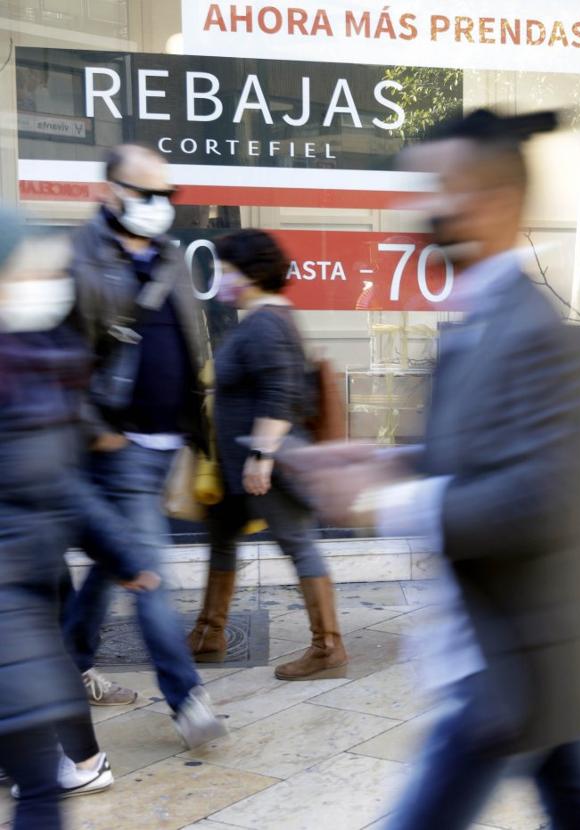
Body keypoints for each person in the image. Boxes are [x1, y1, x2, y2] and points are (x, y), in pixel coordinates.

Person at [288, 109, 580, 830]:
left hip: (508, 655)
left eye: (438, 187)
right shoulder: (479, 314)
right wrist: (382, 460)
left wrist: (385, 504)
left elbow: (538, 496)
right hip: (513, 648)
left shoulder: (534, 329)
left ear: (494, 202)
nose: (422, 208)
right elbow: (475, 453)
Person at [59, 143, 226, 747]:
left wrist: (196, 422)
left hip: (167, 442)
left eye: (167, 194)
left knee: (115, 564)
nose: (160, 205)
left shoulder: (172, 255)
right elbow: (61, 357)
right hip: (118, 446)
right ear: (111, 191)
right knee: (149, 568)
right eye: (146, 192)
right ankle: (186, 699)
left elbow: (191, 335)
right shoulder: (79, 255)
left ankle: (69, 660)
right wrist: (94, 428)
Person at [0, 211, 152, 825]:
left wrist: (121, 551)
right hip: (14, 591)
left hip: (20, 588)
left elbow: (57, 481)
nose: (53, 283)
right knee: (38, 780)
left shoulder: (40, 360)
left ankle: (78, 762)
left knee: (37, 781)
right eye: (37, 270)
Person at [185, 229, 348, 680]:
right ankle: (209, 632)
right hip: (239, 466)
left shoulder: (266, 323)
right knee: (222, 536)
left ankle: (327, 646)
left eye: (227, 269)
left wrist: (261, 457)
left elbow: (280, 395)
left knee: (298, 544)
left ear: (251, 273)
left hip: (266, 465)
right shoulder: (263, 319)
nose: (220, 279)